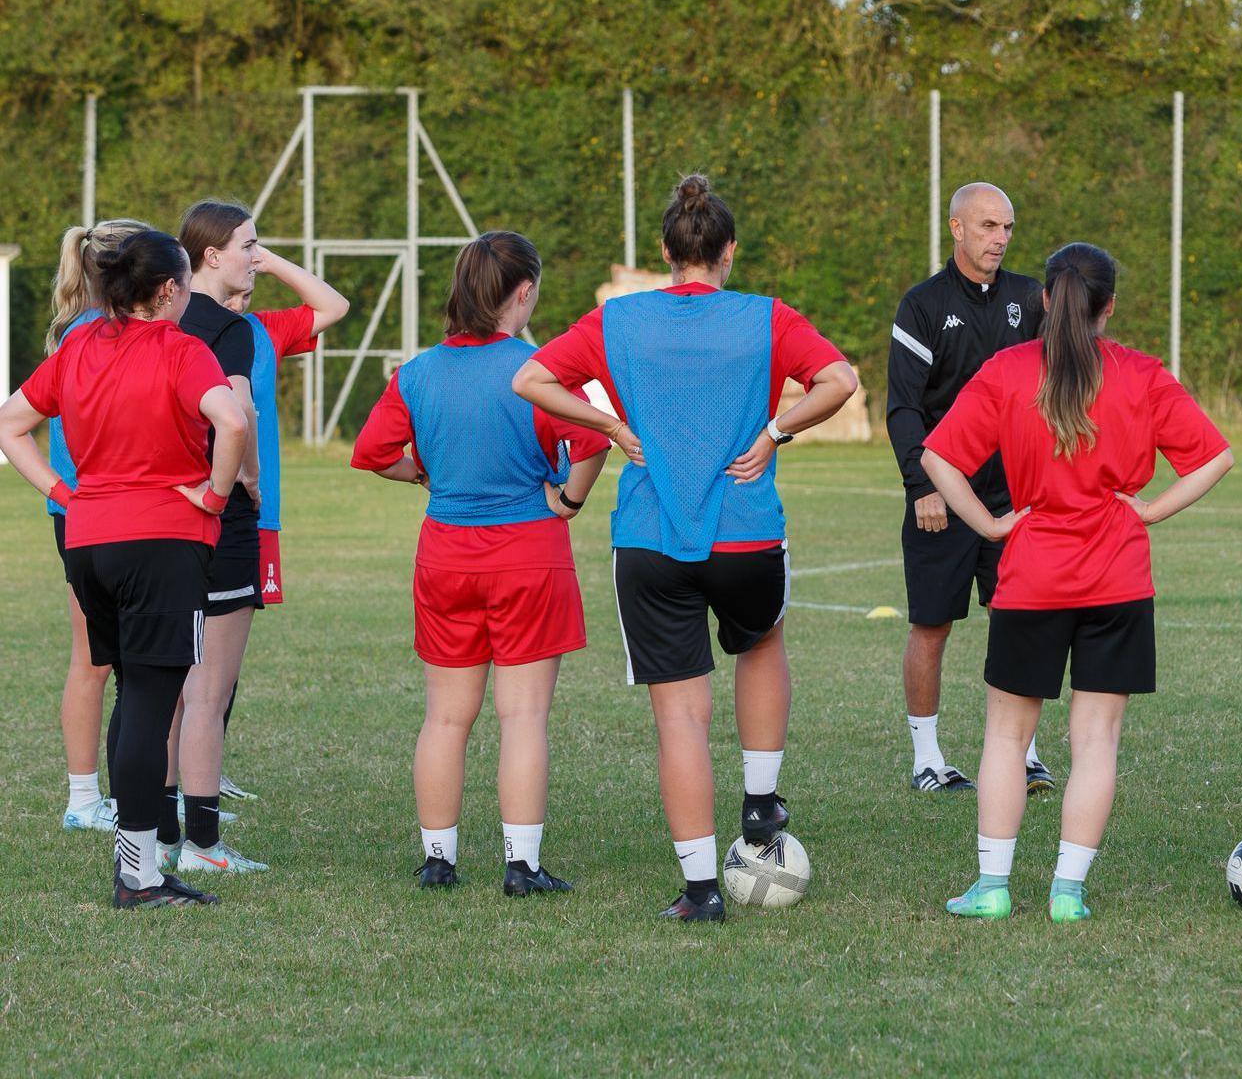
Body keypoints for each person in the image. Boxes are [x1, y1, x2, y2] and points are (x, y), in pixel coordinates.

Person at [515, 173, 858, 922]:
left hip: (649, 538)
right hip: (747, 533)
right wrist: (774, 434)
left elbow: (531, 377)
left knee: (680, 717)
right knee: (761, 642)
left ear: (667, 253)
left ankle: (702, 890)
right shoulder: (767, 316)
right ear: (728, 252)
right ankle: (761, 805)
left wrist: (607, 425)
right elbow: (840, 379)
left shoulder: (619, 319)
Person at [922, 242, 1233, 922]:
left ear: (1044, 301)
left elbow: (937, 456)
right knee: (1096, 741)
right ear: (1109, 307)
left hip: (1031, 579)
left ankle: (995, 887)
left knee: (1006, 737)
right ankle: (1068, 892)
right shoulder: (1142, 374)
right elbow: (1217, 456)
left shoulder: (1007, 371)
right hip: (1118, 580)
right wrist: (1148, 509)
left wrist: (992, 523)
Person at [0, 228, 248, 908]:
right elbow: (231, 421)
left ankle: (135, 866)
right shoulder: (182, 348)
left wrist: (62, 493)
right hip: (162, 539)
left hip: (89, 540)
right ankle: (138, 877)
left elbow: (8, 423)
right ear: (167, 289)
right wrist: (217, 496)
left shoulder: (77, 342)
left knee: (128, 695)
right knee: (146, 701)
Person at [354, 232, 608, 895]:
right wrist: (570, 500)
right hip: (528, 553)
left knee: (445, 716)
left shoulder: (416, 373)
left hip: (445, 554)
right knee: (522, 716)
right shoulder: (539, 371)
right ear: (522, 293)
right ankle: (521, 866)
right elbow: (593, 440)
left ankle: (438, 859)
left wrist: (424, 475)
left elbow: (374, 452)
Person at [886, 182, 1050, 793]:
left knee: (1023, 621)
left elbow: (1053, 385)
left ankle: (1024, 751)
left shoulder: (1031, 298)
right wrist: (920, 484)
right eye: (987, 227)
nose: (999, 239)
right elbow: (904, 408)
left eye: (1006, 228)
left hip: (1016, 498)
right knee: (932, 625)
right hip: (943, 495)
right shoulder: (922, 305)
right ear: (956, 229)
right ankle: (928, 759)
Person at [211, 251, 349, 801]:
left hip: (258, 512)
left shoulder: (262, 330)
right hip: (211, 504)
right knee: (193, 653)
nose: (241, 302)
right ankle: (177, 783)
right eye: (232, 292)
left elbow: (333, 306)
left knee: (227, 655)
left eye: (247, 292)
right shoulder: (186, 328)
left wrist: (267, 261)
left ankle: (206, 767)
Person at [160, 200, 268, 874]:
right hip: (215, 518)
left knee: (165, 687)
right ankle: (203, 844)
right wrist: (247, 480)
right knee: (208, 689)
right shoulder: (229, 328)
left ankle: (159, 827)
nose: (257, 257)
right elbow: (239, 410)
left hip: (161, 518)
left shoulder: (159, 322)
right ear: (211, 256)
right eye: (250, 246)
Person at [43, 220, 148, 832]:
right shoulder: (97, 336)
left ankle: (113, 797)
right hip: (94, 510)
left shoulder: (83, 330)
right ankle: (86, 799)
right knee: (99, 660)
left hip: (90, 510)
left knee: (108, 661)